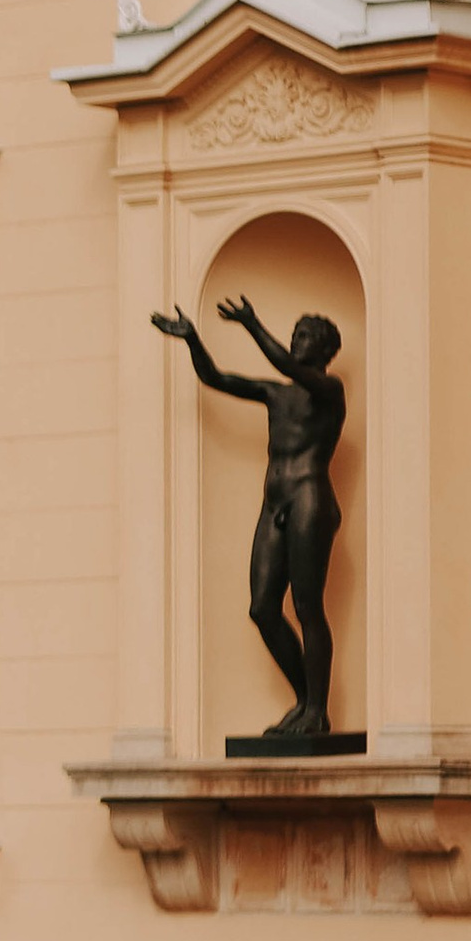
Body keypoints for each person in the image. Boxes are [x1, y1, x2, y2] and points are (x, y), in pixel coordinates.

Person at [152, 294, 347, 739]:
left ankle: (317, 710)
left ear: (323, 350)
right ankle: (305, 703)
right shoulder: (276, 394)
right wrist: (192, 340)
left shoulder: (330, 391)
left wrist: (253, 323)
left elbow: (288, 367)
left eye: (305, 337)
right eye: (295, 334)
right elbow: (216, 378)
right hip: (275, 502)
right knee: (262, 608)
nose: (297, 342)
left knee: (306, 606)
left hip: (310, 500)